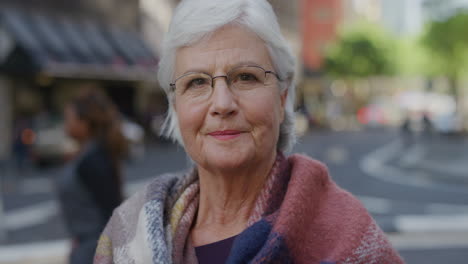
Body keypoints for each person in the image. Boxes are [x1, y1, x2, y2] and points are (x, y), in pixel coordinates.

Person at [94, 0, 404, 263]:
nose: (222, 104)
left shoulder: (348, 238)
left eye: (245, 77)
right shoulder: (127, 232)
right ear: (176, 107)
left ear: (282, 100)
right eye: (197, 82)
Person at [57, 89, 128, 264]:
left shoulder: (93, 160)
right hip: (87, 247)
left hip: (94, 251)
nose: (65, 124)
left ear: (85, 123)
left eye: (68, 118)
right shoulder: (90, 155)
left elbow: (110, 211)